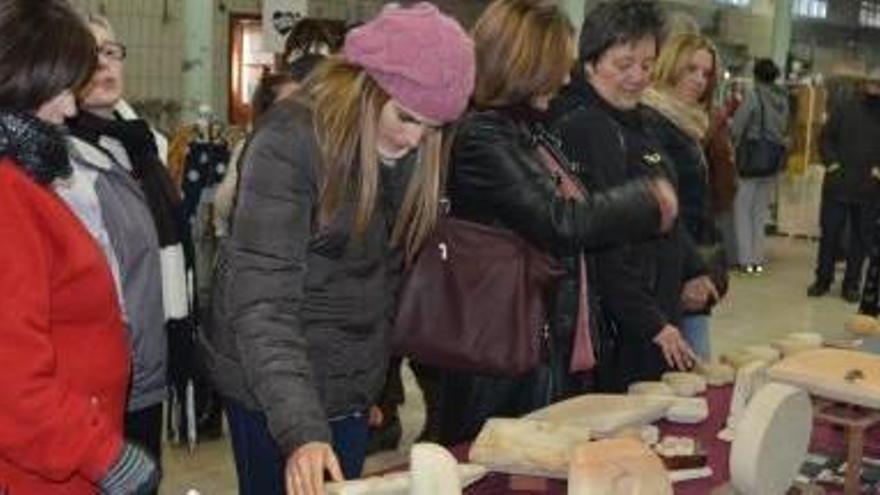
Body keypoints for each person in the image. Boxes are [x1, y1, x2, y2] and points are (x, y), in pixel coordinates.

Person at [199, 3, 475, 495]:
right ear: (367, 85)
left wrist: (366, 386)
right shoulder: (289, 141)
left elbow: (383, 284)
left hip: (347, 388)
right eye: (407, 118)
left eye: (433, 129)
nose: (415, 140)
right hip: (271, 392)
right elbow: (261, 304)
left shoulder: (412, 154)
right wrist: (301, 430)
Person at [432, 0, 678, 445]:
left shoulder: (527, 131)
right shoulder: (483, 136)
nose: (566, 79)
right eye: (556, 66)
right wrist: (645, 201)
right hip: (497, 349)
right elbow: (558, 220)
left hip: (533, 342)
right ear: (524, 65)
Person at [0, 0, 158, 493]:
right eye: (65, 90)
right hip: (42, 470)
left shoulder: (26, 179)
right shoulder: (7, 195)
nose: (71, 109)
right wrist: (103, 454)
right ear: (27, 79)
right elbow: (11, 378)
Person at [550, 0, 709, 391]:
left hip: (652, 311)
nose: (638, 77)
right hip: (618, 327)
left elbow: (668, 210)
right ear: (590, 64)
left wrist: (694, 267)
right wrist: (651, 322)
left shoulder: (637, 120)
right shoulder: (586, 128)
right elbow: (600, 242)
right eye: (624, 65)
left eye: (647, 64)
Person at [60, 15, 171, 482]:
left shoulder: (146, 148)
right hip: (100, 375)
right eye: (88, 54)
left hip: (149, 364)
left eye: (110, 51)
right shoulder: (60, 158)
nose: (103, 64)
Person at [642, 33, 724, 359]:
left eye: (706, 73)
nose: (699, 80)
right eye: (691, 69)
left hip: (688, 265)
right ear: (670, 65)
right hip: (670, 270)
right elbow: (665, 209)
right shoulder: (654, 121)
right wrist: (692, 271)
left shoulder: (686, 124)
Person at [808, 69, 880, 302]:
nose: (874, 88)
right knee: (830, 235)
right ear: (864, 83)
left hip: (869, 188)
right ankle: (823, 279)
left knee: (861, 239)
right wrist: (832, 164)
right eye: (872, 83)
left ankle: (851, 284)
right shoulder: (844, 108)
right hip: (838, 185)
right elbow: (825, 137)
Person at [730, 58, 789, 274]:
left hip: (752, 159)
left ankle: (745, 260)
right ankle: (757, 258)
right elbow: (784, 128)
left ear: (755, 76)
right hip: (772, 160)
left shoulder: (754, 96)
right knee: (760, 211)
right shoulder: (782, 99)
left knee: (742, 209)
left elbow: (737, 126)